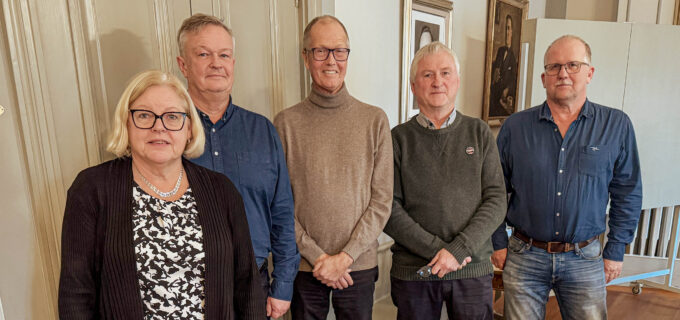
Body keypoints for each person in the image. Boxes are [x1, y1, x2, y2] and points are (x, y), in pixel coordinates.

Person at [58, 70, 264, 319]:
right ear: (126, 123)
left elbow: (247, 286)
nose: (159, 127)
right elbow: (75, 294)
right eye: (144, 115)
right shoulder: (91, 189)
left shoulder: (222, 190)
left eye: (172, 117)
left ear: (189, 128)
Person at [490, 35, 642, 319]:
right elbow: (494, 190)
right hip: (525, 255)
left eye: (573, 64)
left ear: (589, 72)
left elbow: (627, 191)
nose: (563, 73)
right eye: (554, 66)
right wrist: (498, 241)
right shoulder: (515, 127)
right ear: (543, 77)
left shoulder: (616, 125)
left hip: (585, 257)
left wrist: (617, 248)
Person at [176, 14, 300, 319]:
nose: (216, 63)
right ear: (183, 65)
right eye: (203, 54)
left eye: (224, 55)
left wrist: (282, 284)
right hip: (186, 285)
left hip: (253, 283)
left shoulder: (262, 130)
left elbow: (282, 209)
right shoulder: (167, 131)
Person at [273, 15, 393, 320]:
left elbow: (381, 202)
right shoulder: (285, 124)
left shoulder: (374, 120)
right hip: (303, 264)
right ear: (306, 57)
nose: (331, 60)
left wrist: (345, 257)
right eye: (320, 51)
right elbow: (279, 205)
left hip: (358, 265)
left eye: (340, 51)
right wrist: (319, 258)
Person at [384, 41, 507, 320]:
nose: (437, 81)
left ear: (457, 82)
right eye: (427, 75)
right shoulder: (397, 139)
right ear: (414, 86)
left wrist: (458, 250)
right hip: (415, 272)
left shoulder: (479, 133)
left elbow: (496, 199)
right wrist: (440, 252)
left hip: (471, 268)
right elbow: (388, 208)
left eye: (445, 73)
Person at [489, 14, 518, 117]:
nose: (506, 32)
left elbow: (514, 80)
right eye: (505, 28)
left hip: (503, 98)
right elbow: (495, 71)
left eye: (509, 28)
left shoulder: (513, 57)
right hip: (494, 93)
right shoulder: (500, 50)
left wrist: (506, 90)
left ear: (512, 32)